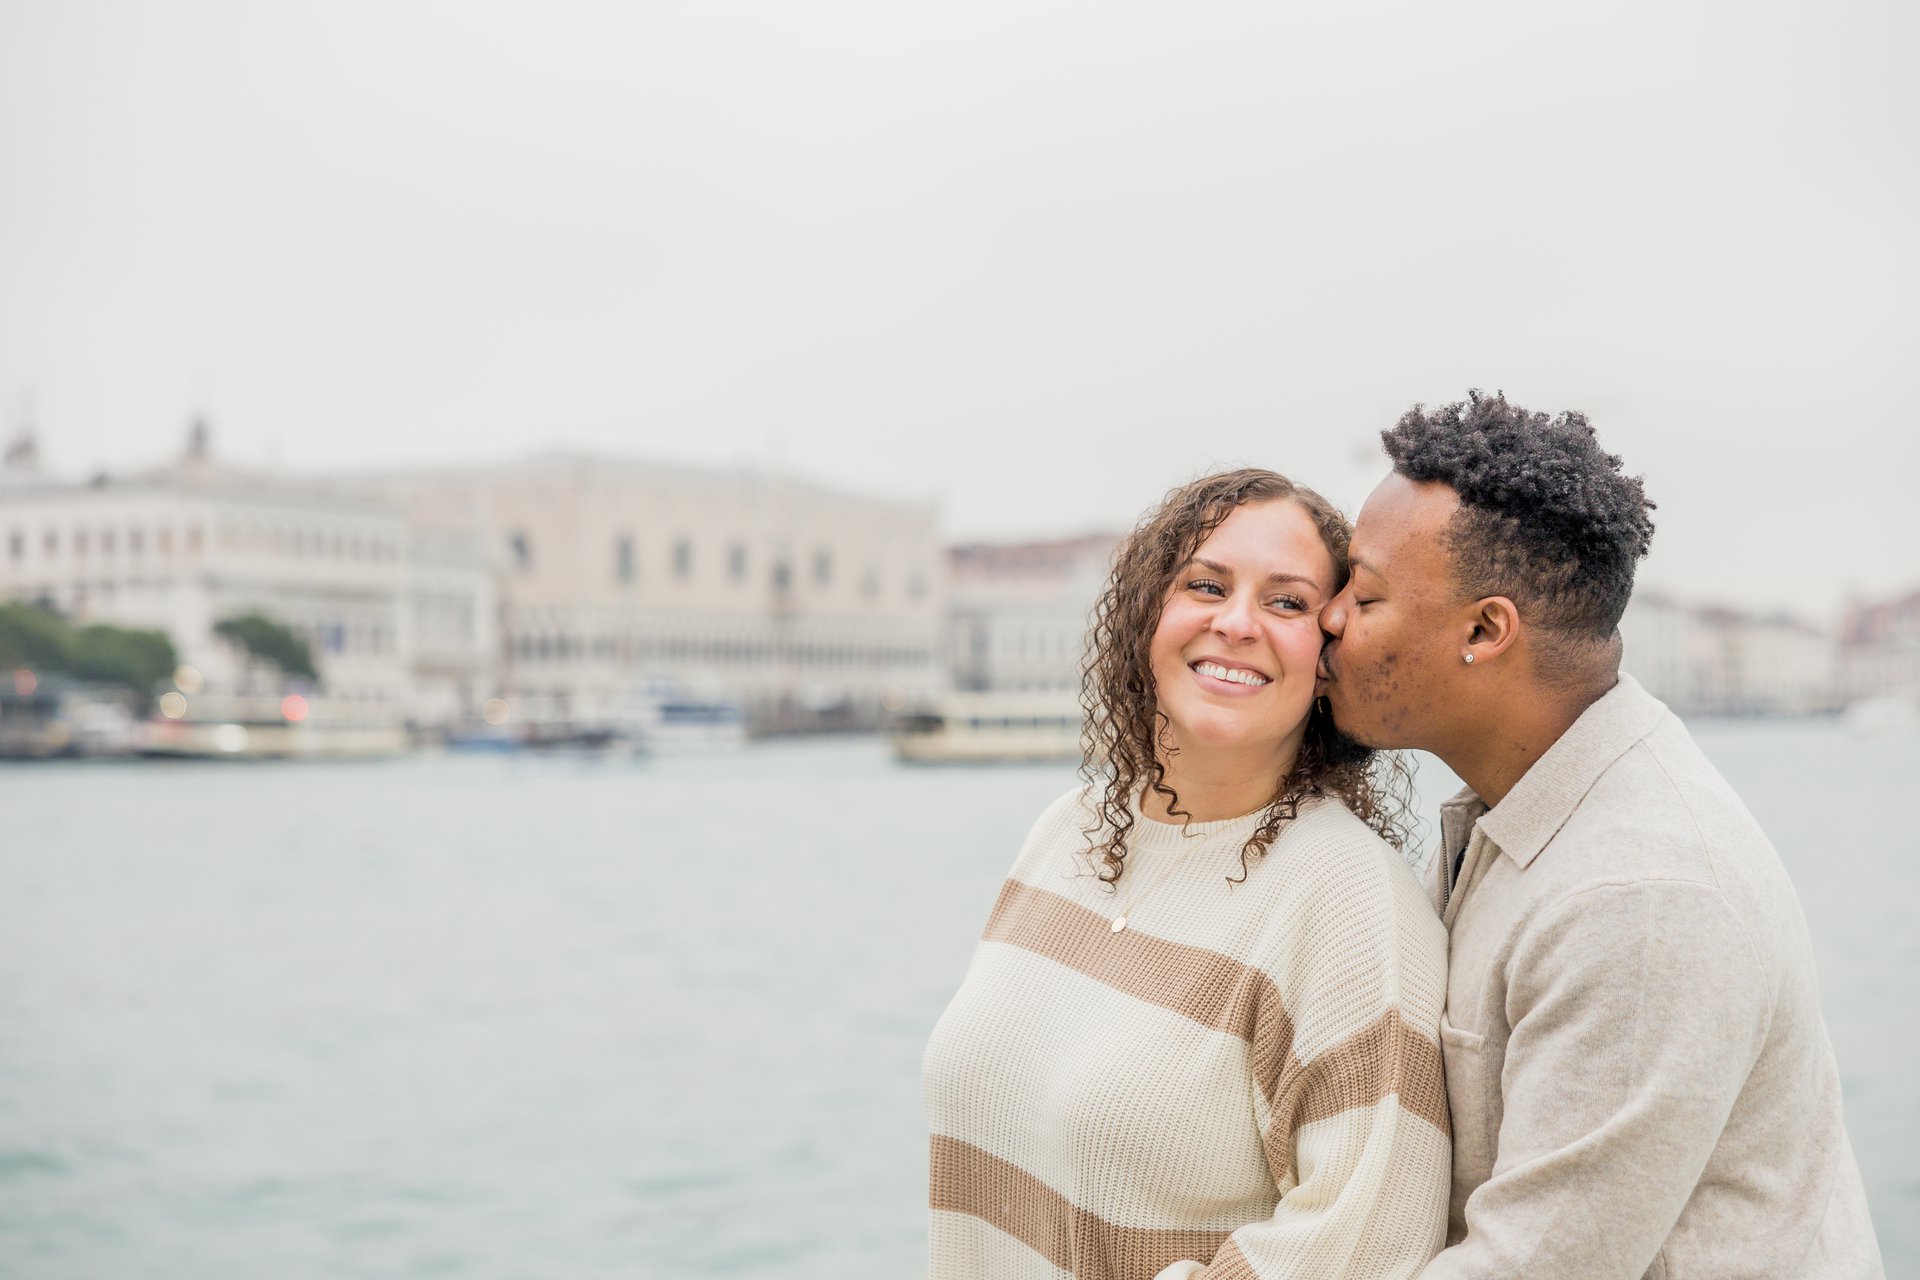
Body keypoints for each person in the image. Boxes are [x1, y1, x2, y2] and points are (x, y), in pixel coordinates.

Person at [1318, 391, 1885, 1279]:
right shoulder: (1526, 798)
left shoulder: (1641, 898)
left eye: (1365, 593)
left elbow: (1528, 1267)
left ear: (1485, 630)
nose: (1329, 615)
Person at [923, 469, 1451, 1280]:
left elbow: (1368, 1243)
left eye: (1286, 602)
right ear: (1147, 614)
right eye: (1206, 585)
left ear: (1329, 656)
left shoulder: (1349, 899)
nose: (1236, 623)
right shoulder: (1067, 830)